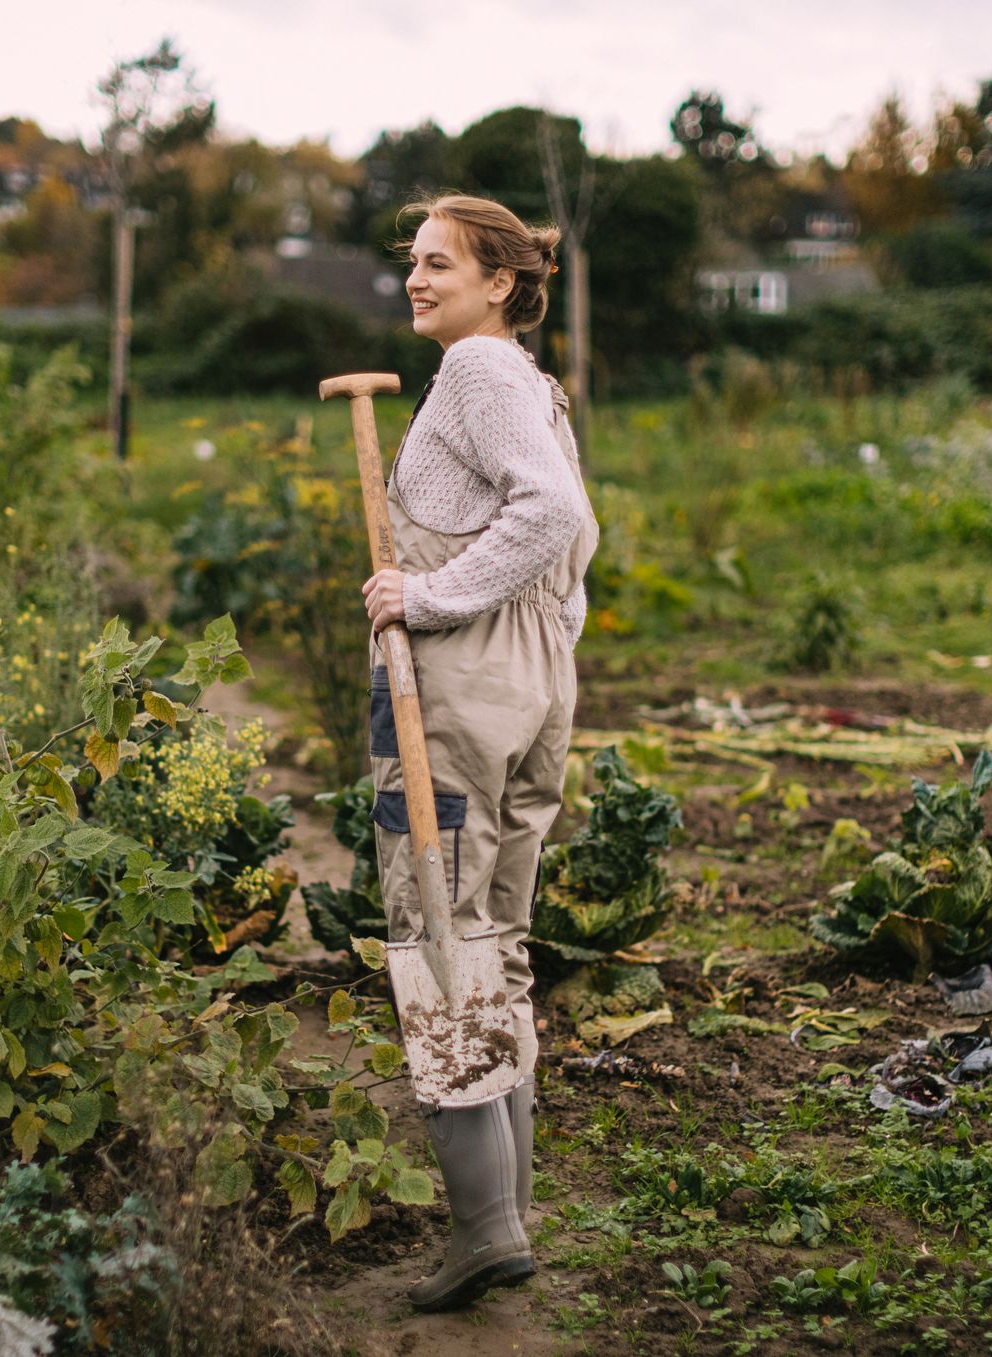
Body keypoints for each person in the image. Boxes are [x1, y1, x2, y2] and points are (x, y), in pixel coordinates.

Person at [360, 193, 598, 1312]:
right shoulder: (534, 387)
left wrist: (434, 595)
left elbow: (546, 512)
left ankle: (486, 1226)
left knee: (439, 929)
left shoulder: (478, 373)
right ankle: (506, 1214)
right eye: (411, 261)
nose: (417, 279)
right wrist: (540, 645)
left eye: (440, 262)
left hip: (458, 688)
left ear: (501, 281)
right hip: (531, 680)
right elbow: (573, 540)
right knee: (495, 934)